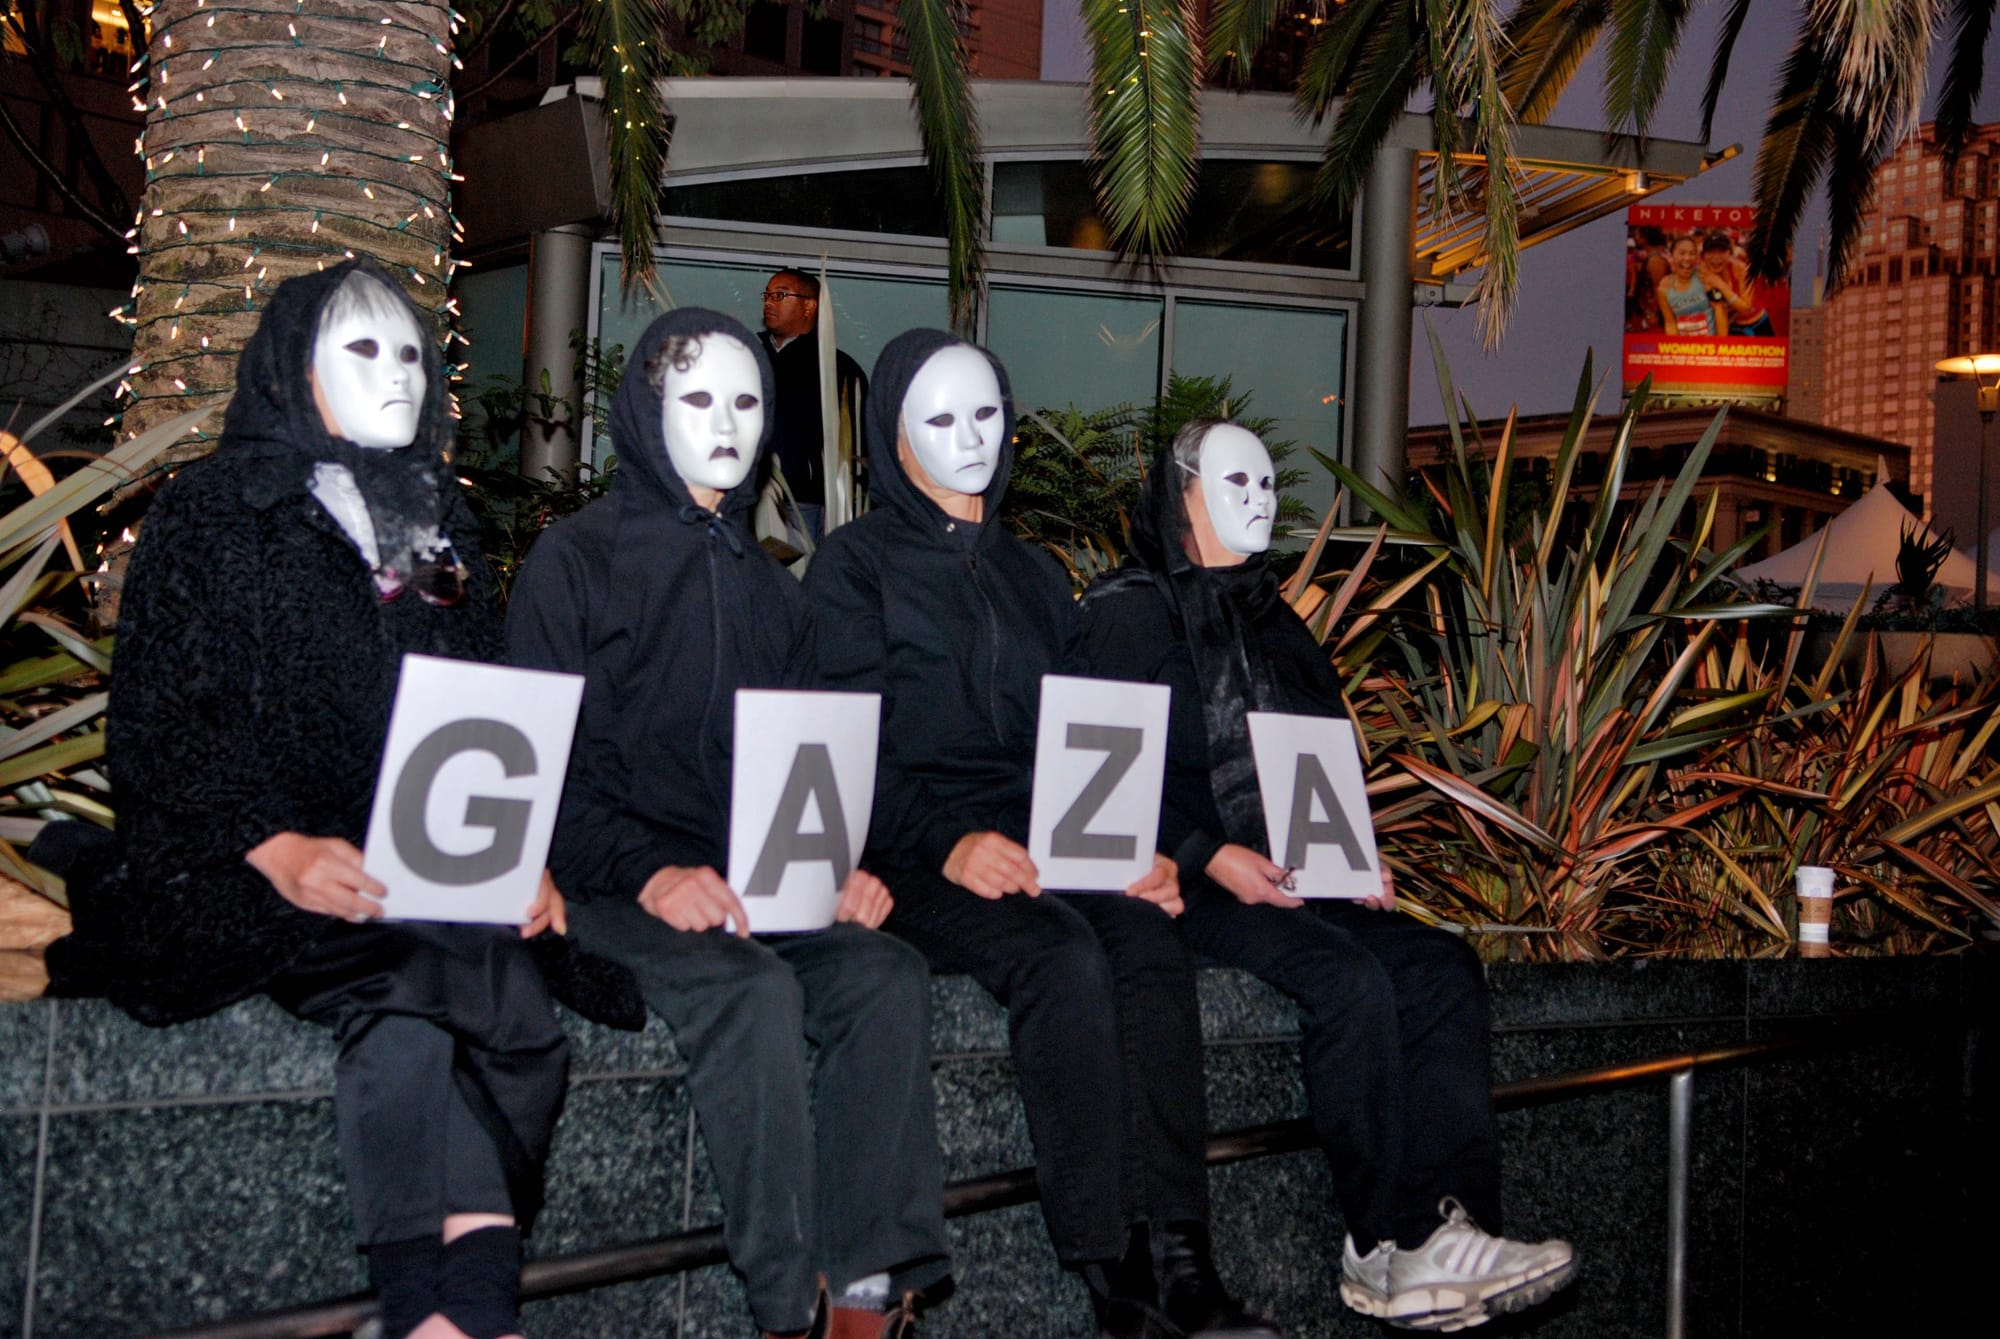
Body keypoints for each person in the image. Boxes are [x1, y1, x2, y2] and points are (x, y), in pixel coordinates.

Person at [41, 259, 569, 1339]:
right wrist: (266, 842)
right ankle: (458, 1314)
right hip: (245, 871)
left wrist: (519, 851)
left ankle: (439, 1317)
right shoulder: (213, 516)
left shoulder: (442, 523)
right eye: (364, 350)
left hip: (425, 868)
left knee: (492, 1006)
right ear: (295, 368)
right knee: (417, 992)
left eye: (414, 353)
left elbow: (484, 710)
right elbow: (161, 721)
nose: (399, 377)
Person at [804, 329, 1277, 1339]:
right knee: (1060, 955)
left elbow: (1085, 740)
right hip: (904, 852)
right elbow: (843, 745)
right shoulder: (851, 570)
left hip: (1040, 843)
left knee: (1151, 942)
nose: (969, 437)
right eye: (939, 418)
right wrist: (941, 843)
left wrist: (1128, 843)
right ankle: (1108, 1268)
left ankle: (1180, 1258)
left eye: (986, 413)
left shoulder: (1030, 576)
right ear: (895, 437)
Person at [1072, 420, 1576, 1334]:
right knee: (1348, 981)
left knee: (1443, 967)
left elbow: (1316, 765)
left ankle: (1454, 1229)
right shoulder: (1125, 612)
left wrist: (1353, 850)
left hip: (1293, 879)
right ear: (1181, 494)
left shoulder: (1277, 622)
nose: (1260, 501)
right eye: (1236, 482)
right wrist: (1205, 852)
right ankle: (1383, 1243)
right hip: (1186, 890)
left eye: (1270, 482)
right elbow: (1092, 789)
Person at [506, 307, 949, 1339]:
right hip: (608, 886)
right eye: (697, 397)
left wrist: (832, 865)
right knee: (745, 991)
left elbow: (798, 772)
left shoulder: (772, 591)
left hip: (745, 883)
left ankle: (868, 1293)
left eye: (747, 399)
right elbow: (536, 780)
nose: (727, 422)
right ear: (646, 410)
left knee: (883, 971)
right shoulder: (571, 566)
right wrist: (649, 870)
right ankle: (785, 1303)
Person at [759, 267, 867, 541]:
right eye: (767, 295)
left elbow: (856, 445)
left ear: (809, 306)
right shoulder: (747, 352)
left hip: (802, 501)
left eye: (781, 295)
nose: (769, 302)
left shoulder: (835, 366)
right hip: (749, 495)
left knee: (797, 578)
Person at [1698, 233, 1776, 337]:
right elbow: (1719, 309)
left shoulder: (1741, 269)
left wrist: (1720, 284)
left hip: (1758, 322)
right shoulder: (1703, 274)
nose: (1716, 257)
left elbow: (1745, 309)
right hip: (1733, 327)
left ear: (1730, 254)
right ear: (1703, 256)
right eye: (1711, 252)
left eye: (1721, 252)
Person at [1653, 234, 1727, 337]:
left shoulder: (1705, 277)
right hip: (1686, 348)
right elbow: (1670, 323)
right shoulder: (1664, 289)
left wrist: (1721, 345)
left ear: (1697, 257)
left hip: (1710, 346)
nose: (1687, 258)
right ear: (1671, 256)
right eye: (1682, 253)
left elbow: (1720, 311)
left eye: (1692, 253)